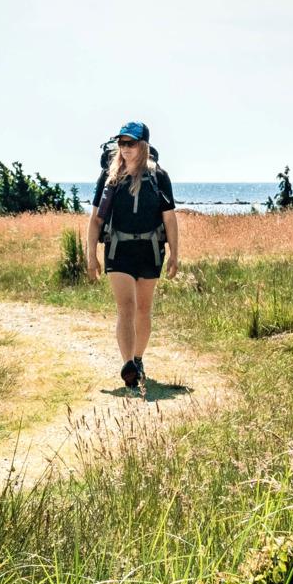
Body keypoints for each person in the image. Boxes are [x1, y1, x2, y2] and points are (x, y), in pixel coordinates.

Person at [87, 121, 179, 389]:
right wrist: (91, 255)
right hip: (119, 249)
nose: (125, 149)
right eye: (122, 143)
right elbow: (95, 220)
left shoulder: (158, 177)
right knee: (126, 307)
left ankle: (138, 360)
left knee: (143, 309)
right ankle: (127, 363)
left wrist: (175, 253)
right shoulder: (109, 178)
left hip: (150, 250)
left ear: (143, 145)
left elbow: (170, 219)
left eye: (131, 143)